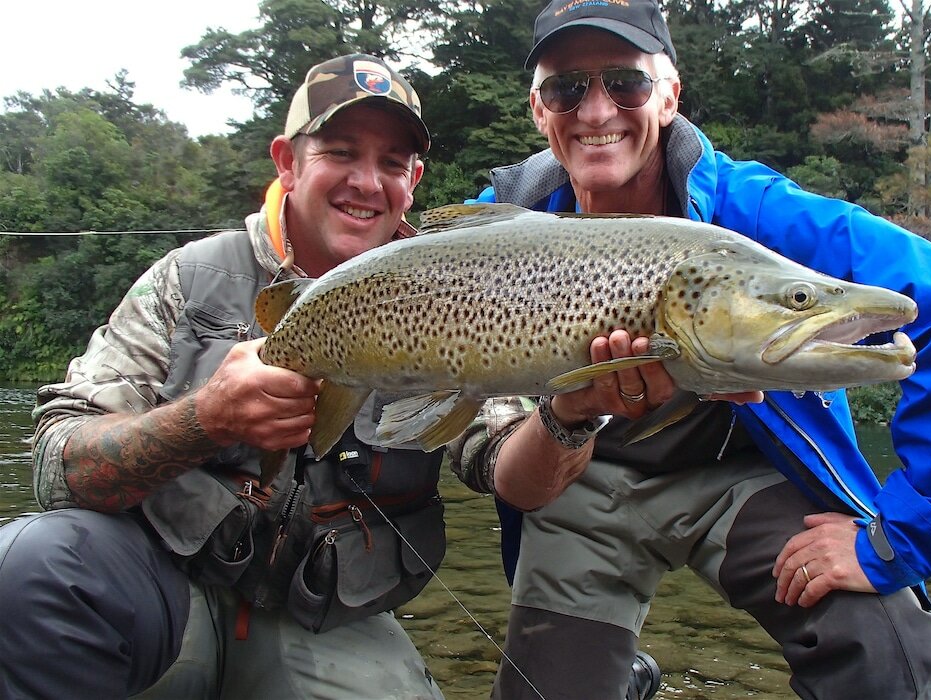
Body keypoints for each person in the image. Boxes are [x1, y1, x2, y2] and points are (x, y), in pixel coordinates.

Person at [448, 1, 931, 698]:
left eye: (626, 82)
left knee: (883, 652)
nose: (596, 110)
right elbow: (480, 447)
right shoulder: (488, 237)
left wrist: (902, 536)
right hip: (573, 484)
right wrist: (564, 415)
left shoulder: (760, 215)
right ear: (538, 108)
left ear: (670, 95)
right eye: (566, 88)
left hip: (740, 479)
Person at [0, 53, 533, 700]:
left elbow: (502, 463)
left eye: (392, 163)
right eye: (341, 152)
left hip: (323, 620)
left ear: (414, 180)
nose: (368, 182)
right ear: (287, 161)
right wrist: (202, 420)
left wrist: (569, 418)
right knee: (33, 565)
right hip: (161, 590)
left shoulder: (458, 291)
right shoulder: (186, 280)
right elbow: (57, 467)